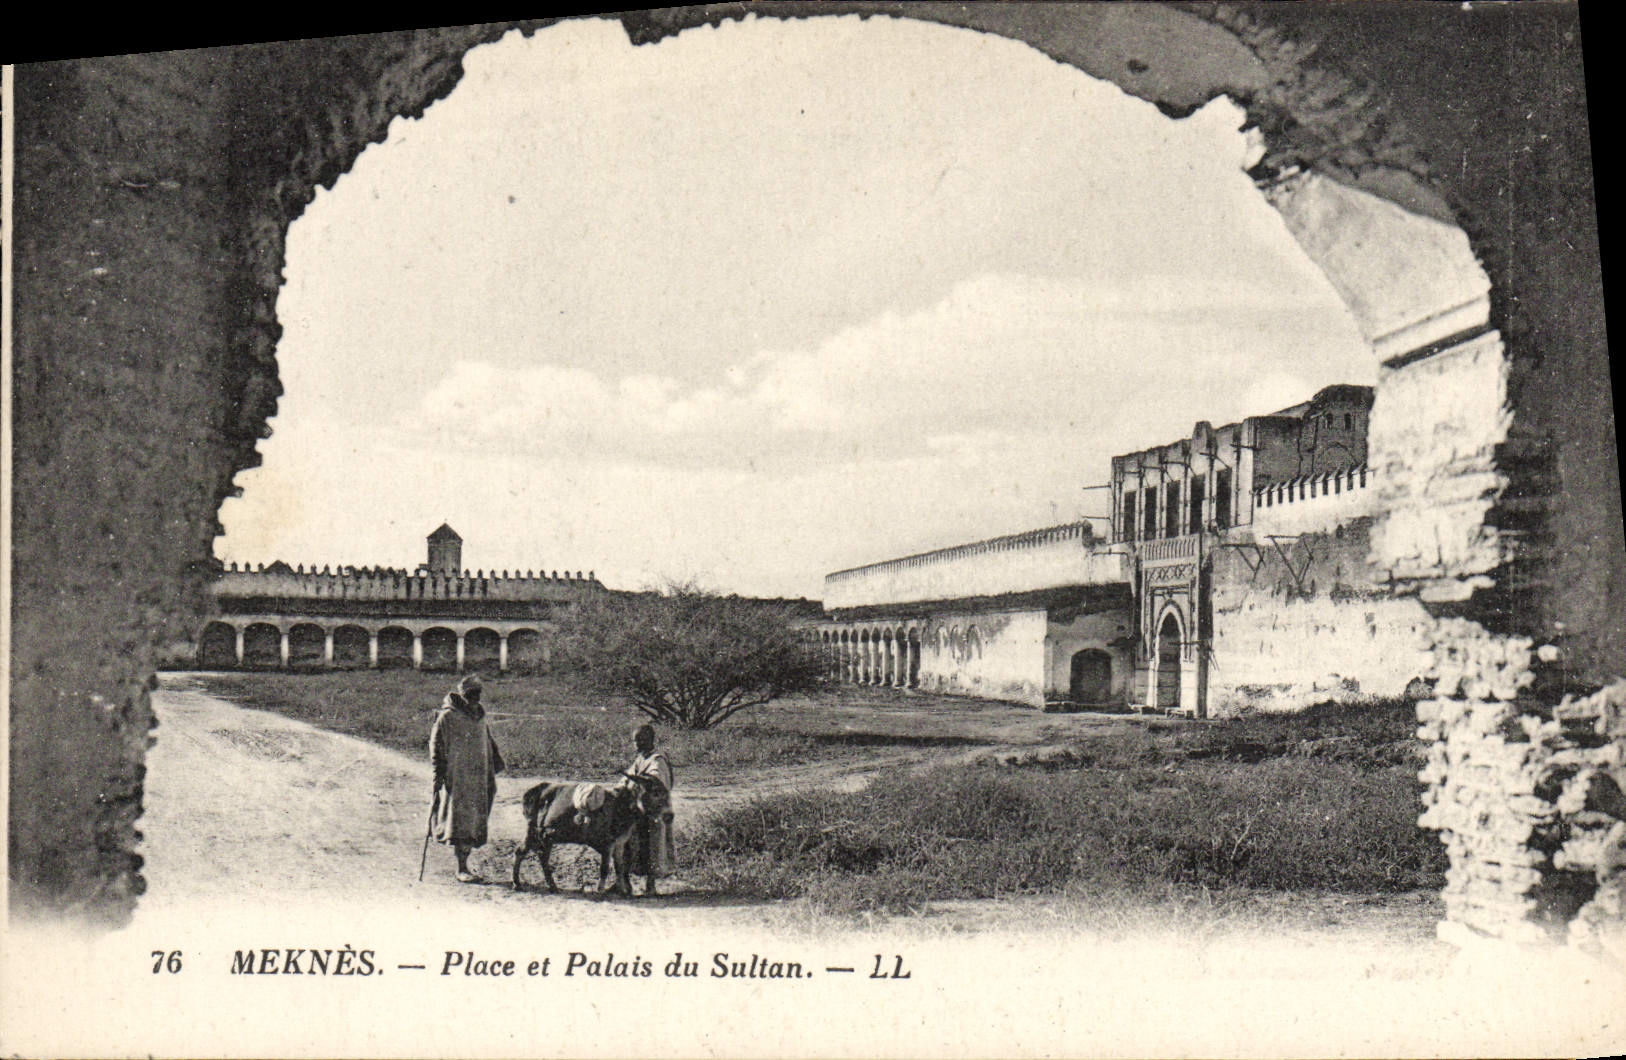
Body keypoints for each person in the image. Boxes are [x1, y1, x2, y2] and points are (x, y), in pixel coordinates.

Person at [429, 673, 504, 883]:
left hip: (480, 778)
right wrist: (438, 775)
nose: (476, 698)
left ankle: (465, 863)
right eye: (472, 694)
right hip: (459, 778)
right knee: (461, 821)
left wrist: (494, 765)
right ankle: (461, 867)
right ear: (463, 695)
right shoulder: (448, 717)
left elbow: (488, 741)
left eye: (478, 694)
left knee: (474, 821)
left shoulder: (480, 716)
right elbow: (436, 746)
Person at [625, 722, 676, 896]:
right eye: (635, 741)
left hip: (656, 810)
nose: (637, 744)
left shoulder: (658, 759)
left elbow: (656, 781)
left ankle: (651, 885)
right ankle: (629, 882)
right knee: (637, 845)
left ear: (650, 740)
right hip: (642, 809)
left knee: (654, 846)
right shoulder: (641, 758)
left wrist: (637, 779)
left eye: (640, 740)